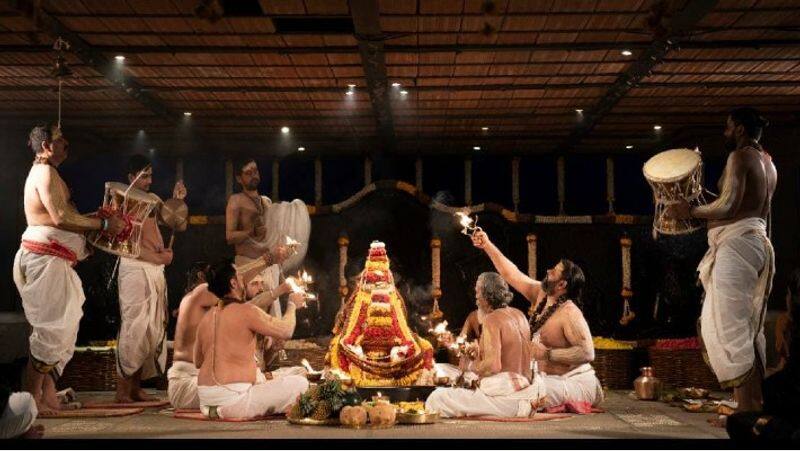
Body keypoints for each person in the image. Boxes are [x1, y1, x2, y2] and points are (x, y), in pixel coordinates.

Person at [667, 107, 777, 412]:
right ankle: (748, 402)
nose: (725, 133)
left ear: (740, 129)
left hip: (738, 246)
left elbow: (728, 205)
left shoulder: (740, 157)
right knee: (743, 324)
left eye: (728, 128)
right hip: (753, 242)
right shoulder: (768, 162)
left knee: (731, 327)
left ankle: (749, 407)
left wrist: (688, 211)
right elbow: (737, 204)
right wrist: (698, 195)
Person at [13, 123, 125, 414]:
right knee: (51, 332)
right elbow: (60, 218)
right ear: (47, 146)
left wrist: (95, 218)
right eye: (61, 141)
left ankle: (47, 395)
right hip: (45, 261)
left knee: (63, 331)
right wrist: (101, 224)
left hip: (54, 262)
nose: (67, 146)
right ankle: (31, 398)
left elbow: (66, 216)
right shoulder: (44, 172)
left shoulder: (49, 173)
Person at [470, 230, 603, 409]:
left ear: (562, 285)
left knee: (515, 390)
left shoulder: (570, 313)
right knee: (496, 381)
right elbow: (512, 274)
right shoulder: (541, 295)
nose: (548, 271)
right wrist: (487, 245)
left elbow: (588, 353)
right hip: (544, 379)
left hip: (574, 383)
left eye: (554, 271)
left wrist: (547, 354)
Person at [194, 258, 309, 420]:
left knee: (281, 378)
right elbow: (286, 330)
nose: (244, 278)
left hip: (205, 402)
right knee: (300, 383)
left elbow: (198, 362)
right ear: (233, 283)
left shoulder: (206, 318)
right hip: (234, 401)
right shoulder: (246, 311)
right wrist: (292, 305)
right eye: (240, 275)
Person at [115, 154, 188, 403]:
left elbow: (178, 222)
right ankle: (122, 390)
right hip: (135, 269)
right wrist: (158, 258)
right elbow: (121, 243)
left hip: (154, 270)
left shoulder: (154, 200)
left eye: (150, 175)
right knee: (134, 327)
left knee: (151, 329)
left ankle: (135, 388)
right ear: (130, 177)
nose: (148, 180)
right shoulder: (122, 201)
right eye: (143, 175)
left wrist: (178, 201)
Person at [426, 272, 543, 418]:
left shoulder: (491, 320)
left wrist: (471, 366)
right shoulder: (520, 315)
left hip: (509, 400)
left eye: (477, 293)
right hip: (528, 394)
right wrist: (478, 353)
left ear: (487, 296)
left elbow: (494, 366)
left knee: (437, 398)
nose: (476, 298)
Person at [166, 262, 215, 410]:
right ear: (201, 276)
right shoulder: (202, 292)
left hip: (193, 382)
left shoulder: (204, 301)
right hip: (187, 384)